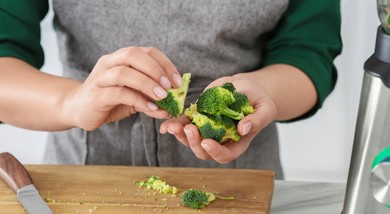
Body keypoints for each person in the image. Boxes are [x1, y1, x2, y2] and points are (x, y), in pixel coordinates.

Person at [0, 0, 342, 179]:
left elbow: (308, 54)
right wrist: (71, 102)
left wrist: (259, 93)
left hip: (240, 179)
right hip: (86, 172)